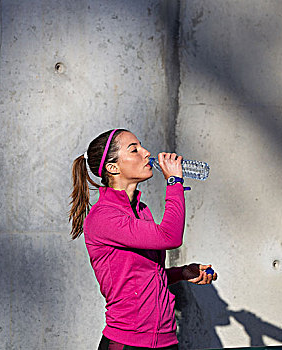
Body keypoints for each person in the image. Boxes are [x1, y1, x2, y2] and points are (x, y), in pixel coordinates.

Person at [69, 129, 217, 349]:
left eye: (141, 146)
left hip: (166, 340)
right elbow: (171, 236)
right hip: (129, 343)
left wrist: (182, 272)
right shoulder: (104, 217)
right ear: (113, 167)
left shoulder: (142, 210)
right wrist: (174, 182)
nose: (146, 153)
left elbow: (143, 278)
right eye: (134, 150)